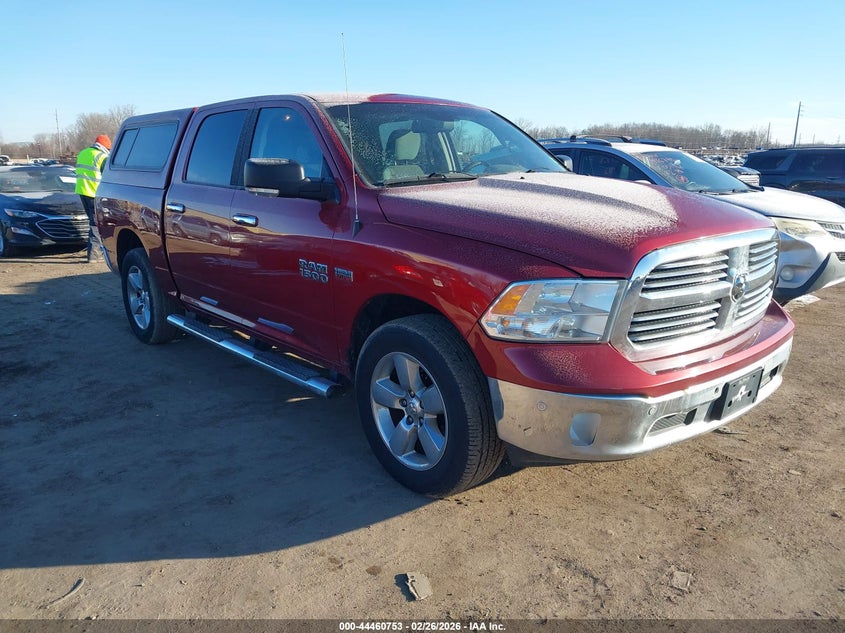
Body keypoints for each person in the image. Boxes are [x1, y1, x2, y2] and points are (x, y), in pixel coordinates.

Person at [75, 134, 111, 262]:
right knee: (96, 223)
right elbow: (108, 176)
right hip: (94, 193)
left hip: (82, 191)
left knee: (92, 222)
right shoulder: (102, 156)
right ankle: (94, 255)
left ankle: (95, 251)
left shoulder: (83, 153)